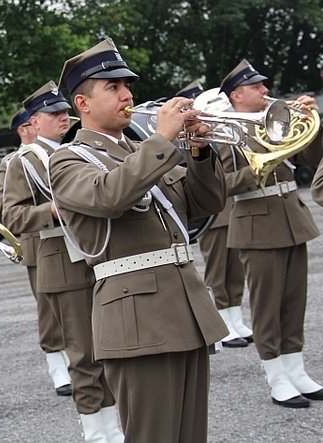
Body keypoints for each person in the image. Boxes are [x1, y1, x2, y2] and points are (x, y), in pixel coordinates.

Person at [49, 38, 228, 442]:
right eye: (112, 87)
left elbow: (207, 201)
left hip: (186, 307)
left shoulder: (144, 151)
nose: (127, 94)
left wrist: (199, 150)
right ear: (82, 103)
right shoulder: (69, 159)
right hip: (136, 319)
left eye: (127, 85)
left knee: (189, 434)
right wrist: (161, 141)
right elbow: (110, 196)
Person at [4, 81, 121, 442]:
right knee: (84, 355)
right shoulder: (24, 161)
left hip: (93, 257)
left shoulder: (76, 151)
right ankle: (95, 431)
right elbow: (12, 217)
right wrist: (52, 210)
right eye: (52, 114)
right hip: (61, 266)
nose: (62, 118)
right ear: (34, 122)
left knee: (108, 348)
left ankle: (114, 425)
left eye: (63, 111)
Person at [217, 59, 323, 408]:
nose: (266, 91)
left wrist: (313, 123)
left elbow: (312, 158)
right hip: (256, 225)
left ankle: (296, 370)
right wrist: (259, 168)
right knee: (267, 307)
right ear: (237, 95)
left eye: (264, 86)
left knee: (294, 302)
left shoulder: (279, 118)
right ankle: (276, 377)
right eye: (257, 87)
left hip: (292, 218)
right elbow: (217, 186)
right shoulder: (226, 130)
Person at [0, 105, 72, 398]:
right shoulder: (15, 162)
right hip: (40, 244)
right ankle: (56, 363)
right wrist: (47, 209)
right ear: (26, 129)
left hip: (77, 242)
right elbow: (2, 208)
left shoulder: (69, 150)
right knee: (50, 309)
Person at [179, 80, 252, 348]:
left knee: (234, 270)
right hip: (215, 217)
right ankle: (222, 320)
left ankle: (235, 317)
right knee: (218, 271)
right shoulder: (205, 139)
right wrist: (249, 176)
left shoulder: (226, 135)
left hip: (231, 212)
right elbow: (220, 181)